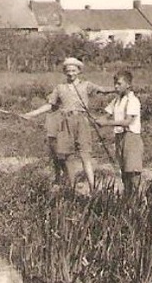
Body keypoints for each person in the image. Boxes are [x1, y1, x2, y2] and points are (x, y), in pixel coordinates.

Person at [22, 56, 110, 192]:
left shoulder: (86, 85)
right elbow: (50, 105)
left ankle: (93, 188)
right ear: (65, 72)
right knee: (66, 155)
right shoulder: (60, 88)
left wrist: (120, 89)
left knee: (85, 154)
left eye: (74, 70)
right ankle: (71, 186)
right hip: (65, 122)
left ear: (79, 71)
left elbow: (103, 90)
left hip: (81, 121)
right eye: (68, 71)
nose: (71, 73)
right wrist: (32, 113)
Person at [103, 69, 144, 197]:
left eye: (119, 84)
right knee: (123, 171)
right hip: (119, 137)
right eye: (115, 83)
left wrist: (106, 123)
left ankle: (138, 198)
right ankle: (128, 198)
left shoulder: (133, 100)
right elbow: (106, 115)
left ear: (128, 85)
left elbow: (128, 122)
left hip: (131, 138)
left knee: (133, 171)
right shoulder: (116, 100)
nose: (116, 86)